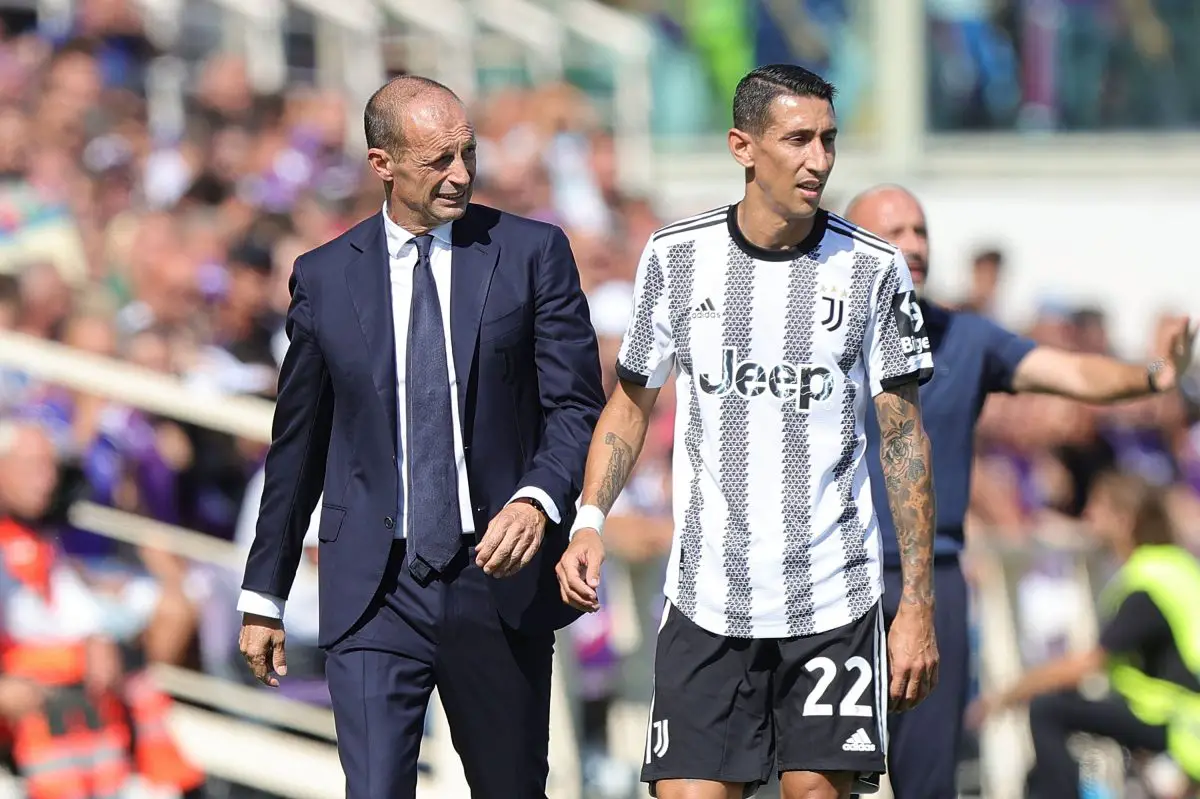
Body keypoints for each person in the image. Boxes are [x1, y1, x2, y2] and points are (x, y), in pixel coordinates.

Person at [557, 64, 941, 799]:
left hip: (834, 596)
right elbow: (631, 403)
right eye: (798, 139)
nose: (818, 160)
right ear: (743, 145)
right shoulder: (676, 257)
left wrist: (916, 603)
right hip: (708, 595)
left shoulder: (874, 268)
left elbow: (902, 440)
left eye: (828, 140)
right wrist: (590, 519)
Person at [237, 75, 606, 798]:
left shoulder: (532, 253)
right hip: (373, 588)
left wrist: (536, 500)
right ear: (383, 164)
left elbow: (575, 407)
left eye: (468, 153)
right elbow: (297, 448)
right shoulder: (322, 278)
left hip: (497, 574)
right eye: (439, 159)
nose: (461, 173)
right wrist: (264, 592)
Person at [843, 183, 1197, 799]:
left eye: (921, 231)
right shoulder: (813, 339)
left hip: (935, 580)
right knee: (820, 776)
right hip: (833, 576)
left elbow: (1071, 372)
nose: (914, 246)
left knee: (927, 777)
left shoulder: (966, 338)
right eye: (894, 233)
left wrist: (1155, 375)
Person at [969, 472, 1200, 797]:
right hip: (1183, 717)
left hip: (1178, 724)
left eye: (1097, 508)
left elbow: (1088, 663)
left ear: (1124, 520)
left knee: (1049, 709)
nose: (1087, 517)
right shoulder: (1176, 564)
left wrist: (1008, 694)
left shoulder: (1144, 582)